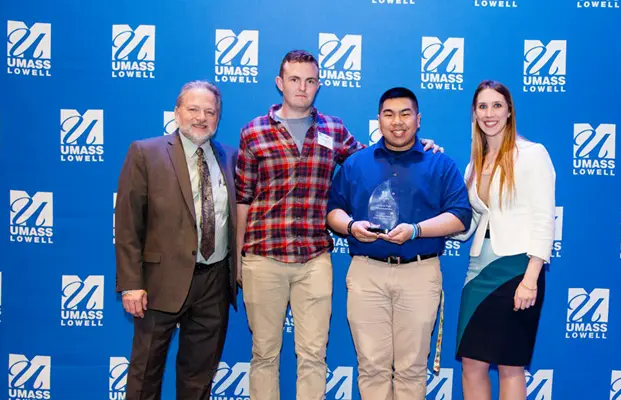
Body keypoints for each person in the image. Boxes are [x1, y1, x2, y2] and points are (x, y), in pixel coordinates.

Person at [234, 51, 440, 400]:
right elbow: (243, 198)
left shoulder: (334, 130)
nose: (302, 87)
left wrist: (422, 147)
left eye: (310, 80)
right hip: (263, 256)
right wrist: (238, 257)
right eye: (294, 79)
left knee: (313, 355)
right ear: (279, 83)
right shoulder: (253, 132)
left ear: (319, 85)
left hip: (315, 258)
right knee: (264, 354)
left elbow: (375, 159)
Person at [326, 87, 472, 399]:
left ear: (418, 120)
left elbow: (461, 216)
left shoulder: (440, 163)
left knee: (411, 369)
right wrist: (351, 226)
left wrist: (416, 230)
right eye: (389, 114)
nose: (397, 122)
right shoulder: (355, 163)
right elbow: (332, 210)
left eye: (405, 114)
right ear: (378, 119)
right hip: (367, 273)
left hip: (420, 274)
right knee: (371, 366)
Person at [115, 81, 238, 400]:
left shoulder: (230, 158)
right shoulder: (146, 152)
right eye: (193, 109)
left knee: (199, 379)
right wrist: (131, 282)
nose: (201, 117)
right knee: (145, 374)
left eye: (210, 111)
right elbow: (128, 223)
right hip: (159, 283)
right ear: (177, 112)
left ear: (218, 117)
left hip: (214, 283)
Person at [452, 80, 556, 400]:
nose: (489, 113)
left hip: (516, 270)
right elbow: (469, 222)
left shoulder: (532, 154)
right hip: (478, 270)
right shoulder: (474, 163)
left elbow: (544, 219)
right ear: (474, 113)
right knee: (471, 362)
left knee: (511, 365)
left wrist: (531, 279)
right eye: (482, 106)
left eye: (497, 105)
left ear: (509, 111)